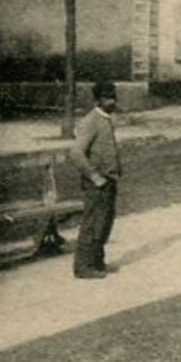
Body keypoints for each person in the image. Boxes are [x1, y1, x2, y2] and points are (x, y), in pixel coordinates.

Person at [67, 80, 122, 279]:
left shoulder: (106, 118)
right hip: (97, 183)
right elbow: (75, 152)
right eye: (107, 97)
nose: (112, 101)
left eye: (113, 96)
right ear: (97, 100)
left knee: (104, 223)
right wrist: (94, 176)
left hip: (109, 180)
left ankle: (97, 262)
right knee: (92, 224)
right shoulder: (90, 121)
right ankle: (83, 267)